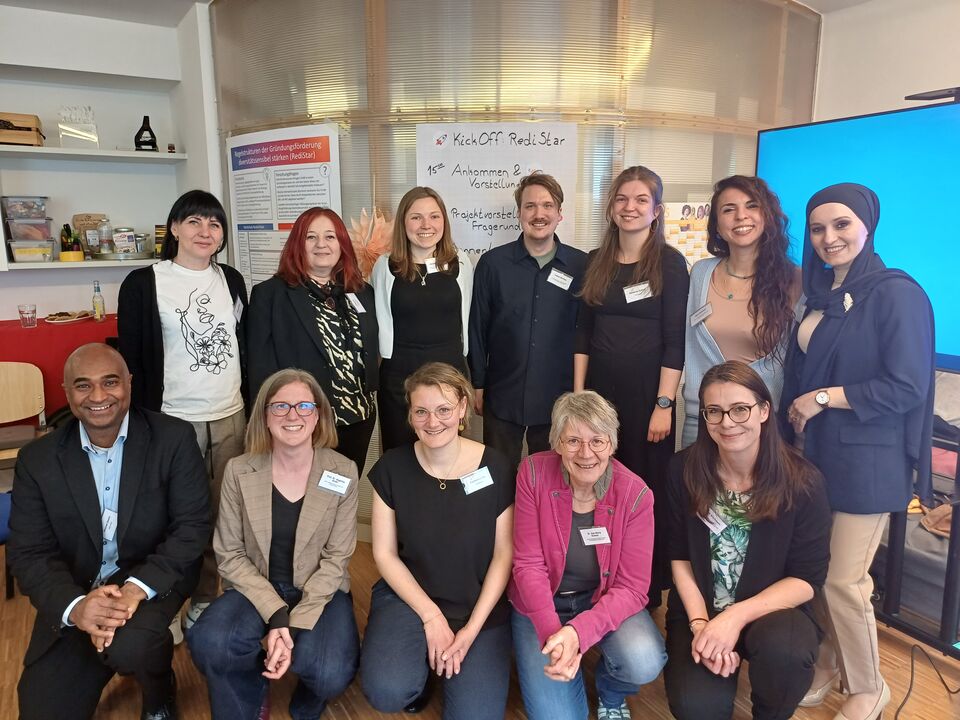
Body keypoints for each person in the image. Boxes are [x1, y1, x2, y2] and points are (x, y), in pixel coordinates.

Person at [782, 183, 935, 720]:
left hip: (867, 464)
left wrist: (824, 397)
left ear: (867, 226)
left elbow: (907, 386)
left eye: (842, 224)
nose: (829, 237)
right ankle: (829, 661)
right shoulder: (821, 293)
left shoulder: (896, 293)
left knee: (844, 580)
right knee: (817, 571)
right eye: (818, 228)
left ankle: (870, 687)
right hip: (814, 457)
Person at [8, 343, 209, 720]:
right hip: (77, 583)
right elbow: (29, 553)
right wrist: (77, 608)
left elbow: (192, 527)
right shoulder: (37, 460)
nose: (98, 396)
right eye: (83, 385)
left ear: (129, 383)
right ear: (67, 392)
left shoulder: (174, 439)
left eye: (111, 382)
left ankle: (158, 685)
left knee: (133, 646)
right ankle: (102, 643)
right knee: (42, 711)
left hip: (149, 574)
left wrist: (135, 590)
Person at [188, 369, 360, 719]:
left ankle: (309, 697)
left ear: (318, 415)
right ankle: (251, 690)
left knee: (330, 671)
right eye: (280, 406)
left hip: (320, 590)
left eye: (304, 406)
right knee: (209, 643)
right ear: (264, 416)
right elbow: (230, 554)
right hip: (255, 585)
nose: (293, 415)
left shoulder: (343, 471)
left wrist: (289, 628)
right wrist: (277, 614)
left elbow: (336, 558)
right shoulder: (239, 470)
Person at [664, 361, 831, 720]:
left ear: (764, 411)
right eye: (715, 411)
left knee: (786, 654)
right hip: (701, 609)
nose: (727, 422)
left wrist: (734, 617)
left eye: (740, 409)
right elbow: (678, 556)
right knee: (697, 709)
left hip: (771, 613)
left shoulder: (803, 482)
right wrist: (701, 625)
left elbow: (807, 579)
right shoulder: (682, 470)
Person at [118, 189, 248, 632]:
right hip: (172, 419)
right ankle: (166, 601)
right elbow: (132, 361)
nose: (204, 231)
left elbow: (240, 344)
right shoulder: (144, 283)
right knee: (172, 517)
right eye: (194, 221)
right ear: (174, 228)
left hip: (230, 415)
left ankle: (207, 595)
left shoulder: (231, 280)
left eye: (214, 224)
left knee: (222, 516)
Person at [360, 362, 514, 719]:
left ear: (462, 408)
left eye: (444, 409)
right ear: (410, 415)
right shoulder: (392, 468)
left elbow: (504, 554)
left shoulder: (497, 467)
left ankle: (443, 657)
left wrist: (471, 629)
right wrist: (431, 617)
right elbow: (384, 554)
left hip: (477, 603)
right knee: (387, 691)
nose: (433, 421)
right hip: (409, 597)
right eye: (422, 411)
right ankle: (421, 664)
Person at [510, 390, 666, 720]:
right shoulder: (532, 473)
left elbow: (633, 588)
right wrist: (555, 637)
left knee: (644, 660)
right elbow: (528, 565)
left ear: (612, 444)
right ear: (557, 443)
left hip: (600, 599)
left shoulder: (636, 494)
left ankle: (611, 691)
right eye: (573, 441)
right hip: (542, 603)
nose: (586, 453)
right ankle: (568, 660)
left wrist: (578, 634)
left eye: (597, 441)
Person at [574, 165, 689, 605]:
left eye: (641, 200)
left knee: (643, 488)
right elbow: (583, 334)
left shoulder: (670, 263)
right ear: (611, 207)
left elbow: (675, 341)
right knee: (597, 484)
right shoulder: (595, 261)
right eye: (622, 199)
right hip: (599, 397)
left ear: (656, 210)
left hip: (647, 400)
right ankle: (598, 576)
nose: (630, 207)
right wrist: (579, 398)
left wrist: (664, 404)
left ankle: (645, 588)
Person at [469, 171, 587, 469]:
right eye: (530, 206)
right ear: (519, 213)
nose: (539, 214)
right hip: (501, 395)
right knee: (496, 476)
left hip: (557, 399)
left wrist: (581, 391)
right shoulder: (492, 264)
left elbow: (587, 332)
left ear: (559, 214)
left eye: (547, 206)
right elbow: (478, 328)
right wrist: (477, 384)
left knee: (550, 480)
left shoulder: (582, 266)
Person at [246, 207, 378, 473]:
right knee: (305, 492)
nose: (321, 244)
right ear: (298, 244)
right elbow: (259, 369)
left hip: (358, 418)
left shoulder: (362, 292)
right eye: (311, 237)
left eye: (330, 236)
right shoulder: (270, 295)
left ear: (341, 244)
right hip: (302, 420)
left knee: (344, 487)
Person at [681, 175, 801, 448]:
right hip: (704, 418)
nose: (741, 216)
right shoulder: (701, 273)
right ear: (717, 225)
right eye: (728, 209)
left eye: (752, 206)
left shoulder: (795, 281)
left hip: (764, 423)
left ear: (767, 215)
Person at [371, 187, 473, 451]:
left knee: (447, 451)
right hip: (399, 379)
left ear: (444, 221)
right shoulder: (385, 266)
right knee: (399, 452)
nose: (426, 225)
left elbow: (468, 319)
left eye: (434, 216)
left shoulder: (461, 262)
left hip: (450, 375)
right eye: (416, 217)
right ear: (403, 223)